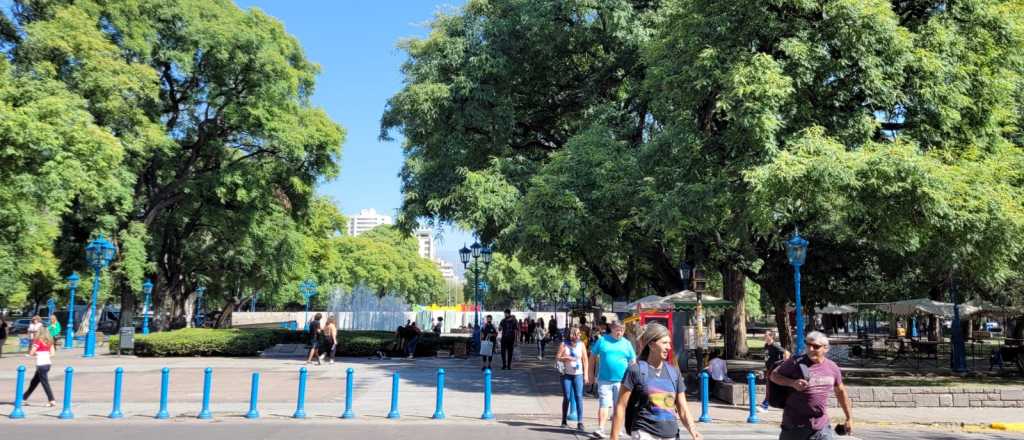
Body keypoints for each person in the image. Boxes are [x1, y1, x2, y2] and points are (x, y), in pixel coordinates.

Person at [610, 323, 702, 440]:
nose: (669, 347)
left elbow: (682, 408)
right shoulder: (635, 370)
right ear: (652, 345)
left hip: (671, 434)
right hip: (644, 432)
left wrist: (693, 430)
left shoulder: (674, 372)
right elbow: (621, 406)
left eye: (669, 343)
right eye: (664, 343)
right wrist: (613, 437)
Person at [770, 331, 853, 440]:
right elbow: (774, 376)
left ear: (826, 348)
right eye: (808, 345)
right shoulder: (795, 362)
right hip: (795, 427)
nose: (810, 349)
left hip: (821, 427)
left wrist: (849, 418)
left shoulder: (832, 368)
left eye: (816, 346)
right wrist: (792, 383)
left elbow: (841, 391)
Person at [588, 321, 636, 439]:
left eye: (622, 330)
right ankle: (601, 428)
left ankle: (617, 428)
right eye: (618, 329)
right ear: (612, 328)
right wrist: (590, 373)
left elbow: (633, 361)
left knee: (618, 406)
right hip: (604, 379)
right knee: (604, 404)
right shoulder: (602, 340)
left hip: (622, 381)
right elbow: (592, 357)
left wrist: (633, 377)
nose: (620, 332)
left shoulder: (627, 344)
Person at [557, 326, 589, 432]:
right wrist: (566, 358)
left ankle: (580, 422)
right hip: (566, 374)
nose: (578, 335)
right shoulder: (564, 344)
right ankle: (564, 420)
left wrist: (586, 375)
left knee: (579, 396)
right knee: (566, 396)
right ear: (572, 335)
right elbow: (557, 357)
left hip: (578, 374)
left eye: (579, 334)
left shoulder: (582, 345)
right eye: (577, 334)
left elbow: (585, 360)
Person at [23, 330, 56, 407]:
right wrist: (44, 353)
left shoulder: (38, 341)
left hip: (41, 364)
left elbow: (31, 352)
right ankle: (23, 398)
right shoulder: (49, 342)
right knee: (34, 382)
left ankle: (51, 400)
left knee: (45, 383)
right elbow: (52, 354)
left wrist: (36, 353)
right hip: (48, 364)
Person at [761, 330, 790, 411]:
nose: (764, 336)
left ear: (771, 336)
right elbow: (767, 357)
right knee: (772, 387)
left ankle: (765, 405)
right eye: (764, 334)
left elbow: (787, 353)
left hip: (773, 368)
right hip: (768, 368)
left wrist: (782, 364)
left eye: (766, 335)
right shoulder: (766, 345)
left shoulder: (775, 345)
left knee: (769, 387)